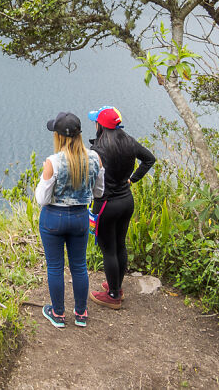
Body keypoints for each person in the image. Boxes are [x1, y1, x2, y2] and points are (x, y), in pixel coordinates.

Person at [34, 111, 104, 328]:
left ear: (59, 136)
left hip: (53, 219)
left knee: (55, 267)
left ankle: (58, 314)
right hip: (80, 218)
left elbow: (42, 199)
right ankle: (81, 314)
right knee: (79, 266)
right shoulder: (95, 158)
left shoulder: (52, 162)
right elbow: (99, 192)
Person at [87, 106, 155, 309]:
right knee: (120, 245)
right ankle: (116, 285)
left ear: (100, 125)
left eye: (95, 122)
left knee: (108, 250)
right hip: (126, 201)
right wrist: (132, 180)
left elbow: (91, 179)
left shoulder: (98, 150)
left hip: (107, 204)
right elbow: (149, 159)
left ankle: (113, 295)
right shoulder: (128, 141)